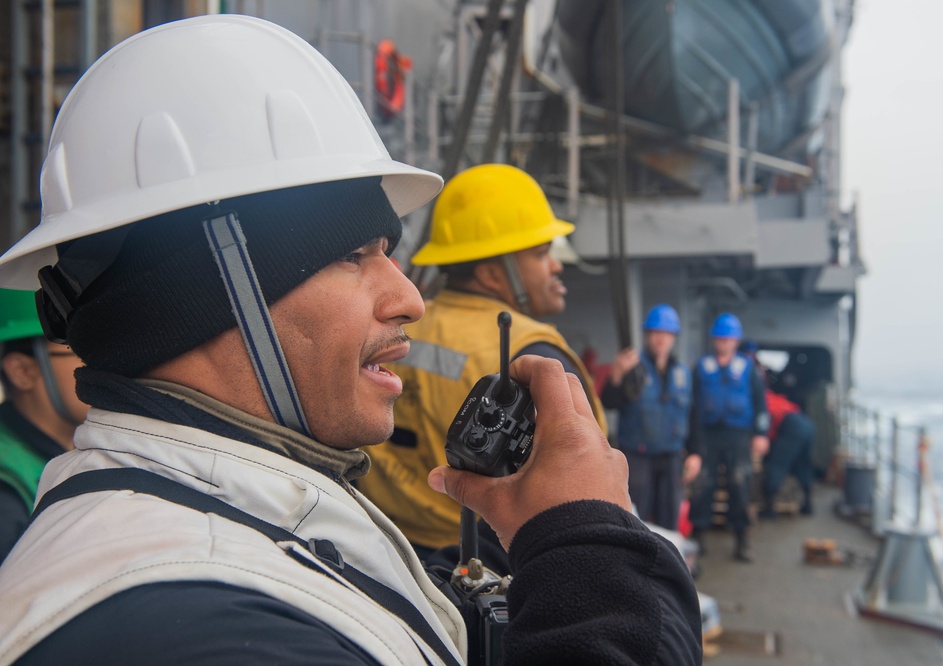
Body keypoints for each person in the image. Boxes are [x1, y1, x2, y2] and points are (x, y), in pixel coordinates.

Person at [0, 15, 700, 665]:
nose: (409, 299)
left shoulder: (239, 522)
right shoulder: (191, 629)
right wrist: (593, 560)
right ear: (207, 294)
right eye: (351, 254)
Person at [358, 163, 608, 554]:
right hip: (488, 567)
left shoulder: (400, 325)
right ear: (493, 273)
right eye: (542, 253)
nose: (557, 264)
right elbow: (583, 493)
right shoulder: (534, 355)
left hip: (388, 551)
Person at [0, 289, 87, 560]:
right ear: (22, 372)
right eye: (80, 350)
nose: (103, 365)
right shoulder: (6, 493)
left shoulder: (88, 451)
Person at [601, 304, 700, 531]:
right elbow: (609, 402)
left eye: (666, 333)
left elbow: (692, 414)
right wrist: (617, 374)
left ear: (674, 336)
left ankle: (666, 563)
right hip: (638, 457)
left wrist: (695, 453)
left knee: (669, 518)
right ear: (647, 335)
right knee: (635, 517)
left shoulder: (682, 372)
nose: (661, 339)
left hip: (672, 456)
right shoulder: (632, 366)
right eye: (656, 332)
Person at [689, 313, 769, 563]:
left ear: (736, 341)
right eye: (720, 338)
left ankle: (742, 540)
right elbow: (691, 406)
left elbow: (761, 404)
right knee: (704, 484)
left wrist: (761, 433)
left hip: (738, 435)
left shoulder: (748, 370)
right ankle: (699, 535)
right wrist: (690, 442)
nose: (724, 342)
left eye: (728, 338)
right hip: (707, 434)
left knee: (739, 484)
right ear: (714, 340)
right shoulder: (701, 367)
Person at [761, 389, 816, 517]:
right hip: (807, 424)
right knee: (803, 465)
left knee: (777, 464)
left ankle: (769, 507)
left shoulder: (762, 399)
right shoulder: (774, 397)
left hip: (792, 425)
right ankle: (807, 504)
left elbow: (767, 425)